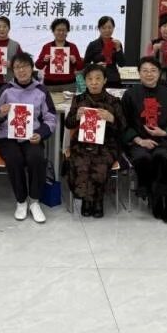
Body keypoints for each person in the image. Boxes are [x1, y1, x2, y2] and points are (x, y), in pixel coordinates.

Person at [0, 52, 56, 223]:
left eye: (25, 66)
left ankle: (34, 201)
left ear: (31, 68)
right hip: (7, 137)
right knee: (14, 159)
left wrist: (41, 133)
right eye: (17, 67)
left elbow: (50, 118)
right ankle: (21, 201)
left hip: (31, 136)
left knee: (36, 158)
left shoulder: (41, 90)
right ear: (13, 71)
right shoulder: (6, 89)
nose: (21, 70)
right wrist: (1, 113)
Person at [121, 56, 167, 223]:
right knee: (143, 158)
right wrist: (139, 140)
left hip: (163, 140)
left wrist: (164, 132)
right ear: (139, 73)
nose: (149, 74)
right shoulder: (130, 94)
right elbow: (122, 123)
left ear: (159, 73)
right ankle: (155, 197)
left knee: (162, 157)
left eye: (153, 70)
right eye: (145, 70)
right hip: (138, 142)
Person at [64, 64, 125, 218]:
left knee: (100, 164)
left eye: (98, 79)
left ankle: (98, 200)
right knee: (81, 162)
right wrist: (76, 116)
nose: (94, 82)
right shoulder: (79, 99)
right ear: (85, 81)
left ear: (105, 80)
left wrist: (111, 118)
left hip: (107, 143)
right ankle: (86, 200)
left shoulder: (114, 101)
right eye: (90, 79)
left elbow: (123, 127)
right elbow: (68, 123)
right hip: (82, 142)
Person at [35, 17, 84, 92]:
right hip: (50, 84)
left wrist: (75, 61)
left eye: (64, 30)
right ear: (53, 31)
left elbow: (80, 67)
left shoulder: (72, 47)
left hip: (69, 84)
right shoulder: (47, 46)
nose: (61, 33)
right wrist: (44, 60)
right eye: (58, 30)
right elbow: (38, 65)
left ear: (67, 31)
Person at [84, 16, 125, 88]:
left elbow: (122, 64)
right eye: (104, 28)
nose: (107, 30)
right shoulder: (93, 45)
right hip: (97, 80)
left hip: (113, 80)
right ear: (99, 29)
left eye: (110, 27)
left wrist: (118, 49)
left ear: (113, 28)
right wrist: (95, 66)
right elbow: (85, 64)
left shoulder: (117, 43)